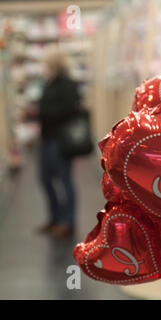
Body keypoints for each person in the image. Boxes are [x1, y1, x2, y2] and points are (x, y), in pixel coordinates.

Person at [36, 50, 79, 237]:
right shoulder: (49, 82)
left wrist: (44, 113)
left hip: (60, 141)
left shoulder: (67, 84)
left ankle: (67, 221)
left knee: (64, 179)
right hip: (46, 138)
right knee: (45, 178)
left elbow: (70, 109)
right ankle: (55, 218)